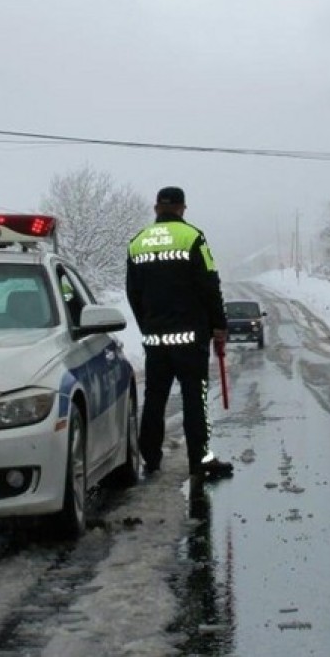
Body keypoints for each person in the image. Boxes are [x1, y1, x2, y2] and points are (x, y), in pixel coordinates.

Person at [126, 186, 234, 481]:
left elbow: (133, 293)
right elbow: (210, 284)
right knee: (194, 399)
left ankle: (150, 458)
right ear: (182, 208)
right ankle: (199, 460)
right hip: (190, 338)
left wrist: (147, 325)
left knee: (155, 399)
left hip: (155, 339)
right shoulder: (193, 238)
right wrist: (219, 326)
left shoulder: (137, 243)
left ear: (156, 209)